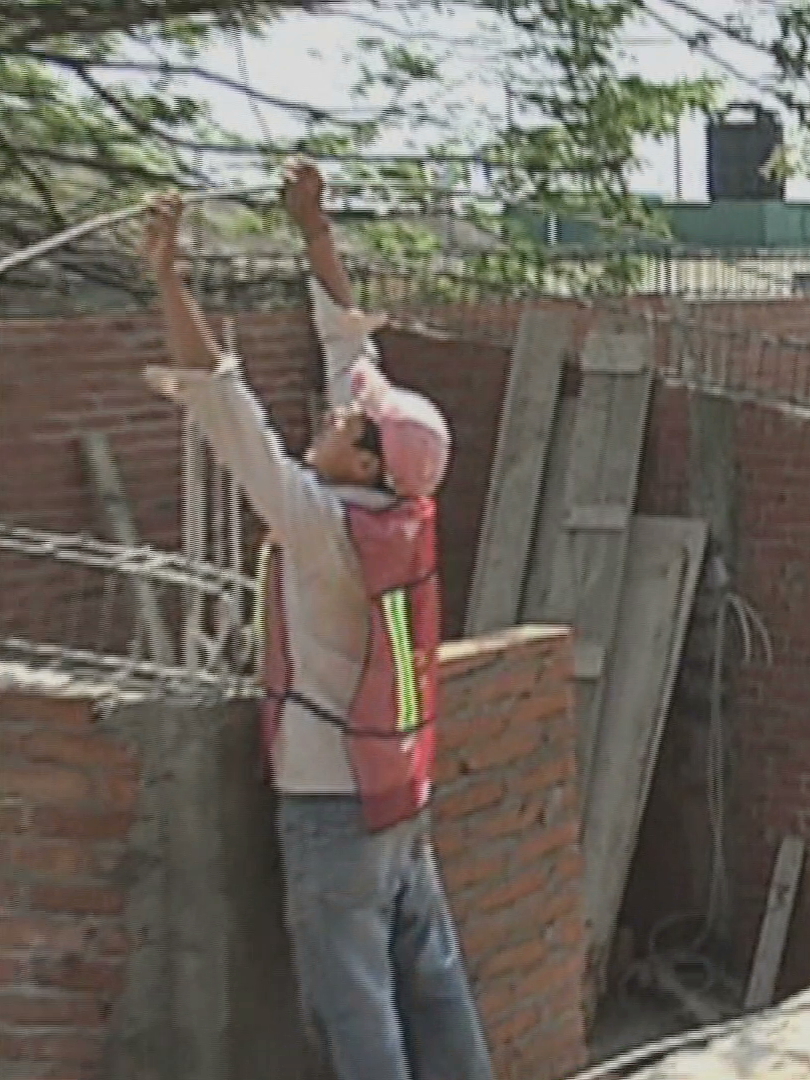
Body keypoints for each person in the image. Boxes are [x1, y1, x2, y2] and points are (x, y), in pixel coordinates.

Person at [140, 161, 495, 1080]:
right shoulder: (401, 511)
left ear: (368, 462)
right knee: (434, 988)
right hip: (397, 795)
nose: (337, 412)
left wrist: (169, 280)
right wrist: (314, 232)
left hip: (333, 809)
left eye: (350, 421)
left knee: (357, 1017)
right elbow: (349, 348)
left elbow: (226, 408)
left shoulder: (322, 528)